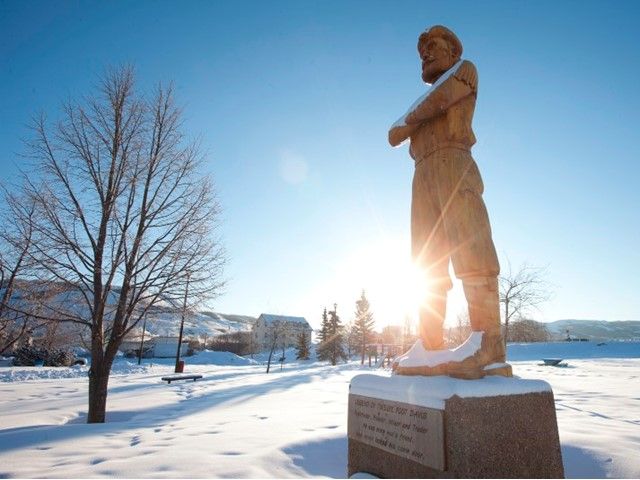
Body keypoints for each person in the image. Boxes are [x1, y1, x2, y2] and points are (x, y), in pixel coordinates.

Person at [389, 25, 511, 379]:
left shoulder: (465, 70)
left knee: (471, 247)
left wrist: (407, 121)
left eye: (433, 46)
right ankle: (430, 343)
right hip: (422, 173)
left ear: (453, 52)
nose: (425, 53)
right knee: (426, 261)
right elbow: (393, 133)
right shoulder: (426, 98)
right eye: (422, 49)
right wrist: (406, 125)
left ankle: (488, 341)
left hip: (453, 163)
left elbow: (434, 103)